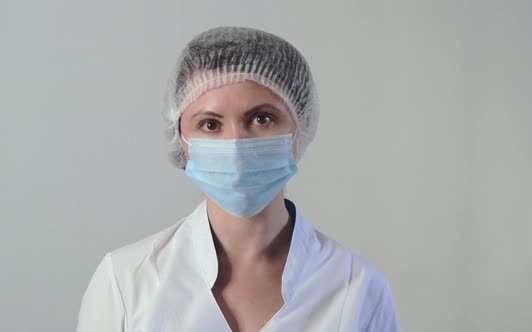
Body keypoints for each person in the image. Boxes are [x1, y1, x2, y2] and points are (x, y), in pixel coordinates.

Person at [76, 26, 400, 332]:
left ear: (299, 127)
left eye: (261, 118)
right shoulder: (127, 282)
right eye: (210, 125)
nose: (236, 145)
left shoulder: (357, 289)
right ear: (181, 139)